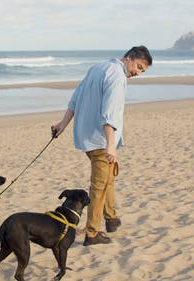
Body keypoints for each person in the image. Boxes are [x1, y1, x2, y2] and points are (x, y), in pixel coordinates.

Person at [51, 46, 152, 246]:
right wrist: (110, 145)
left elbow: (75, 99)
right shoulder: (117, 76)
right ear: (129, 58)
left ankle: (111, 217)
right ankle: (92, 233)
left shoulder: (98, 67)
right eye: (138, 67)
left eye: (142, 71)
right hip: (99, 139)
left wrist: (62, 125)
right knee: (99, 186)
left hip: (85, 135)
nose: (137, 73)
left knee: (108, 178)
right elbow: (109, 114)